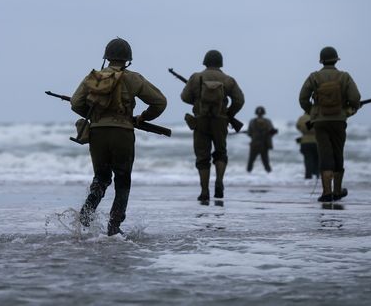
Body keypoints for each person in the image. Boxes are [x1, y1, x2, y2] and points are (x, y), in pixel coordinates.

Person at [70, 37, 167, 236]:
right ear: (127, 60)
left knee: (101, 178)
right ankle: (114, 227)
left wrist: (96, 116)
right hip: (123, 134)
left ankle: (86, 216)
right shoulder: (134, 78)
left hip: (97, 134)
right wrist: (141, 118)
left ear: (106, 58)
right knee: (123, 179)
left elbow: (75, 103)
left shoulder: (94, 77)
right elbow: (160, 102)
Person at [298, 46, 360, 202]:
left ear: (321, 60)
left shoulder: (314, 77)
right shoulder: (344, 77)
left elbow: (303, 98)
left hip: (320, 121)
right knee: (338, 153)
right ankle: (337, 191)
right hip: (339, 121)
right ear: (336, 59)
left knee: (325, 154)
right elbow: (355, 98)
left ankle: (326, 192)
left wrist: (313, 112)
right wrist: (349, 110)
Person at [181, 50, 244, 202]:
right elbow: (239, 100)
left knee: (202, 156)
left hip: (200, 121)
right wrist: (228, 113)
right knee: (221, 153)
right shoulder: (228, 79)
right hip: (221, 121)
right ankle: (219, 182)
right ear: (220, 63)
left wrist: (198, 101)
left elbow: (185, 97)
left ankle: (204, 191)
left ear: (205, 61)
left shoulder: (196, 77)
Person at [247, 106, 276, 174]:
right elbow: (271, 132)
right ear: (264, 113)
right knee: (266, 162)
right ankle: (270, 176)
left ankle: (247, 175)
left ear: (256, 113)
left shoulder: (252, 121)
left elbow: (249, 133)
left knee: (251, 161)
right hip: (264, 144)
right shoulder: (268, 121)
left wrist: (254, 134)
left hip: (254, 144)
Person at [295, 113, 319, 179]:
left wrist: (304, 132)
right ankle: (317, 176)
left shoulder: (302, 118)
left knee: (308, 160)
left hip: (305, 141)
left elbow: (298, 126)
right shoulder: (317, 116)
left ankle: (308, 176)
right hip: (317, 141)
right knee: (318, 160)